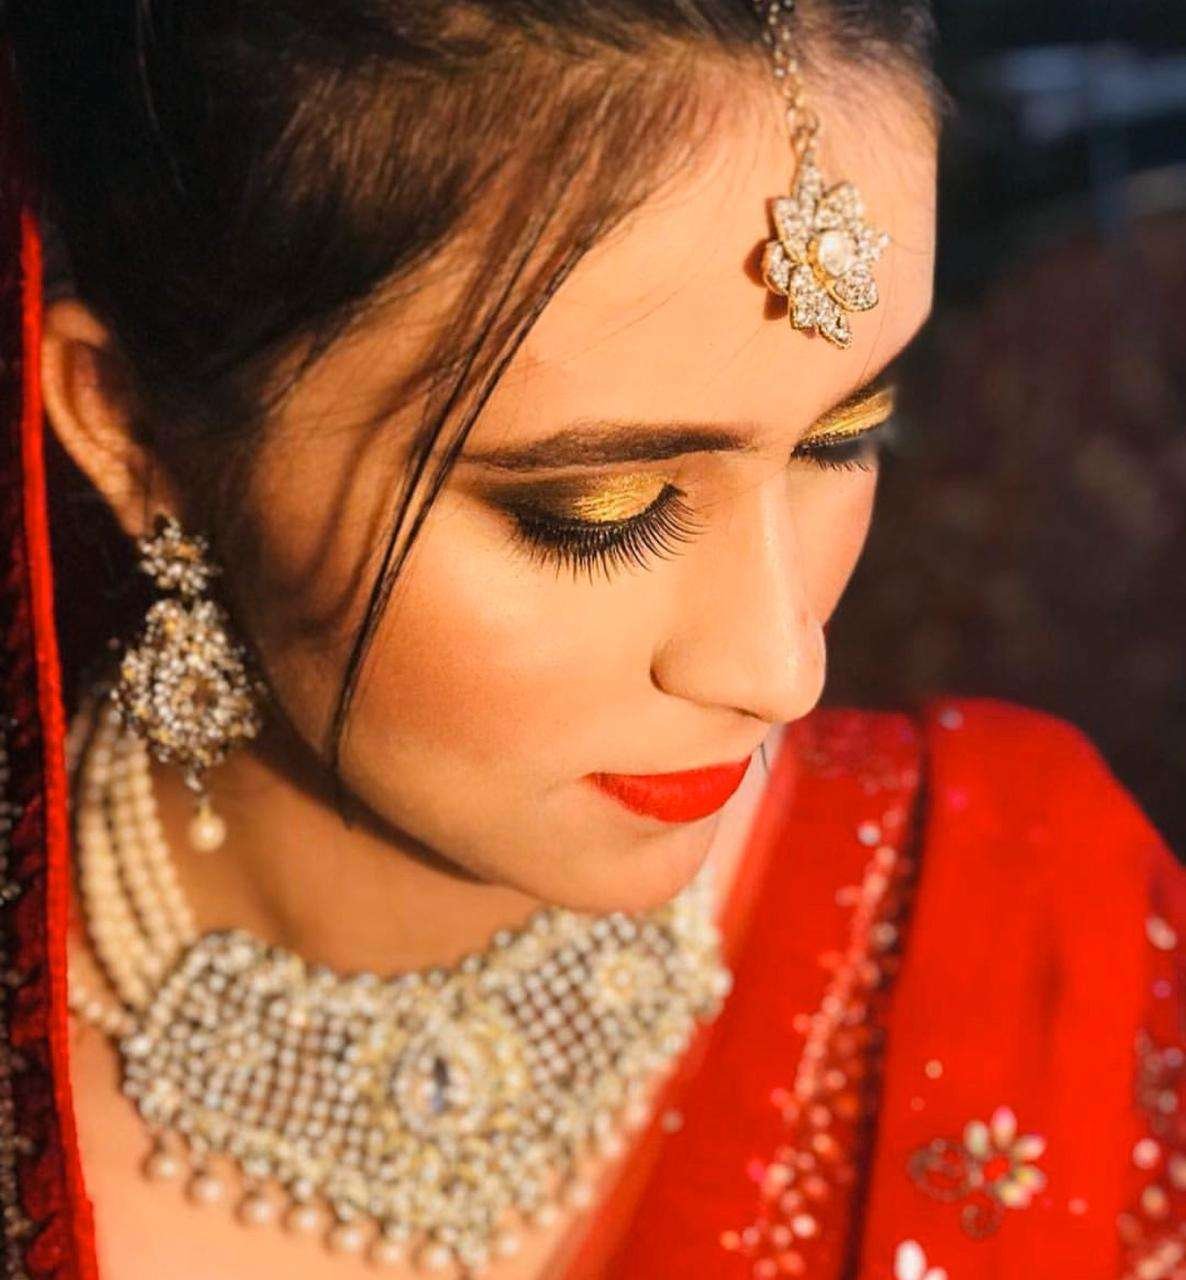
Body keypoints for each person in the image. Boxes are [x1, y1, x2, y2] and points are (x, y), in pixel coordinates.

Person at [0, 2, 1182, 1278]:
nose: (782, 667)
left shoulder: (1040, 930)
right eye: (594, 513)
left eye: (843, 439)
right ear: (133, 431)